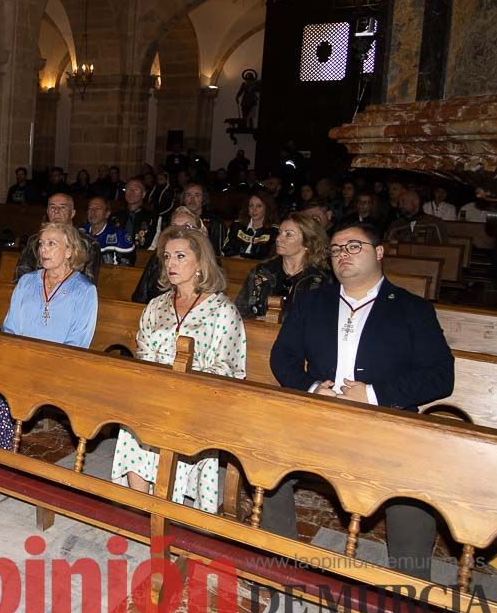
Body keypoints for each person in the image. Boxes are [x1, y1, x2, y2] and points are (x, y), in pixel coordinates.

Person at [263, 223, 454, 580]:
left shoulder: (412, 309)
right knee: (266, 459)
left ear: (379, 253)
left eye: (354, 246)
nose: (343, 255)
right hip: (322, 416)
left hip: (386, 423)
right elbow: (282, 357)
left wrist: (373, 393)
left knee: (414, 490)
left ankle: (409, 586)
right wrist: (312, 386)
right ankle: (283, 568)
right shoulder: (313, 303)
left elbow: (441, 375)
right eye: (336, 249)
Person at [111, 225, 246, 513]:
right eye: (167, 257)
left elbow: (229, 366)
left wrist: (185, 387)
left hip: (199, 397)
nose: (171, 264)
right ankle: (143, 506)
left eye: (180, 256)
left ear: (201, 263)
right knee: (133, 418)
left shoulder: (222, 310)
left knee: (173, 421)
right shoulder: (157, 305)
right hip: (155, 392)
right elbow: (144, 352)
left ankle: (163, 508)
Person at [0, 221, 97, 453]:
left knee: (0, 399)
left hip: (57, 368)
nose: (44, 250)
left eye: (52, 244)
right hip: (19, 363)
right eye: (41, 244)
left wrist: (39, 366)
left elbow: (78, 343)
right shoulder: (28, 282)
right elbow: (11, 329)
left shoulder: (84, 290)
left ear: (69, 251)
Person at [235, 213, 332, 319]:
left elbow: (322, 320)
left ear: (307, 242)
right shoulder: (263, 271)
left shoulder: (320, 278)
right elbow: (240, 311)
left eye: (288, 234)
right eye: (279, 233)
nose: (278, 239)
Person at [14, 193, 99, 281]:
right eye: (52, 207)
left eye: (62, 207)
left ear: (73, 213)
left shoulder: (88, 244)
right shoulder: (35, 241)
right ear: (47, 212)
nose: (56, 211)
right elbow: (22, 275)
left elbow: (87, 282)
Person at [131, 206, 202, 304]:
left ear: (198, 231)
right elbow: (140, 297)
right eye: (174, 227)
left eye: (187, 227)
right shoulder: (158, 257)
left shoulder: (205, 259)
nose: (179, 232)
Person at [222, 191, 276, 259]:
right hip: (234, 265)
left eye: (259, 206)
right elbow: (226, 250)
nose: (254, 210)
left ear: (267, 208)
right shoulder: (237, 225)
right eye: (251, 205)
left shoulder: (274, 231)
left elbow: (269, 257)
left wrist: (244, 257)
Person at [176, 182, 226, 256]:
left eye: (197, 195)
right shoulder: (176, 220)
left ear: (203, 199)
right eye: (188, 195)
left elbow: (217, 254)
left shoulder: (215, 223)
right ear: (183, 198)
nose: (192, 200)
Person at [82, 196, 134, 266]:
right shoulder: (80, 232)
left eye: (98, 208)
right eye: (90, 208)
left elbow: (125, 268)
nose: (93, 211)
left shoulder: (119, 235)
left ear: (107, 213)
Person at [117, 177, 157, 250]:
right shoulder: (116, 216)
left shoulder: (152, 217)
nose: (131, 192)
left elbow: (152, 246)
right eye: (128, 189)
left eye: (136, 189)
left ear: (143, 194)